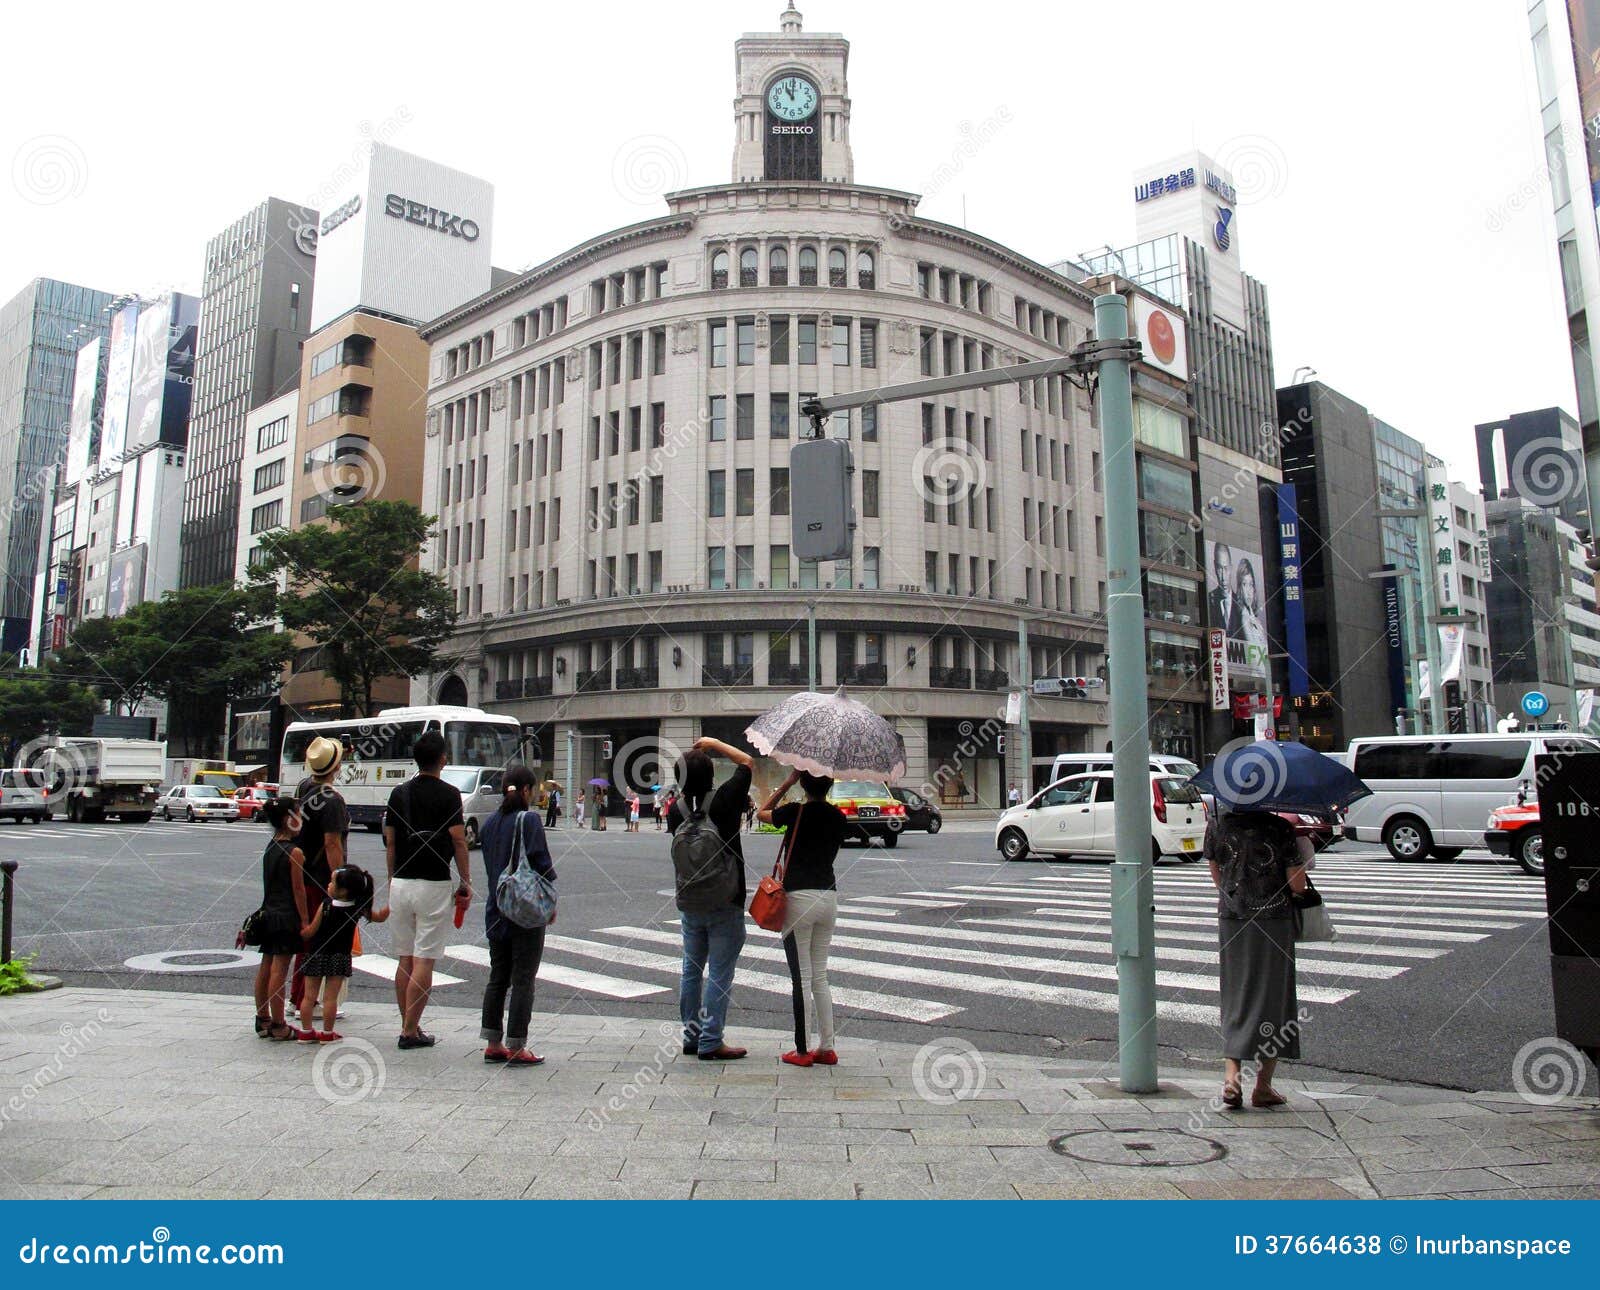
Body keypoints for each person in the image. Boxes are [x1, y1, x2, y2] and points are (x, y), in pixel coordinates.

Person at [1204, 808, 1310, 1109]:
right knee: (1272, 999)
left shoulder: (1217, 824)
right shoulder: (1280, 828)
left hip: (1232, 918)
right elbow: (1297, 885)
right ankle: (1263, 1086)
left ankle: (1232, 1079)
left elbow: (1216, 872)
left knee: (1236, 993)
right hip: (1273, 921)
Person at [384, 730, 472, 1050]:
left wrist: (392, 879)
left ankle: (410, 1023)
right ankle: (409, 1030)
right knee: (424, 960)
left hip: (401, 883)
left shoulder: (398, 793)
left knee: (405, 959)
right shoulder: (450, 795)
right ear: (443, 759)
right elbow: (459, 840)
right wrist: (466, 880)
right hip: (434, 882)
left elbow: (391, 843)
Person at [666, 736, 753, 1060]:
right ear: (711, 774)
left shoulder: (676, 811)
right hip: (725, 899)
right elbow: (747, 762)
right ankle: (711, 1040)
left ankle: (692, 1036)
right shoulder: (725, 800)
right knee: (719, 971)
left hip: (690, 900)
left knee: (691, 969)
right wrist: (715, 743)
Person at [759, 769, 847, 1067]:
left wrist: (786, 782)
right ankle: (828, 1046)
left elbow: (762, 813)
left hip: (799, 898)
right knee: (820, 975)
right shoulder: (838, 817)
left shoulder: (795, 812)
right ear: (830, 784)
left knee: (802, 978)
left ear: (804, 784)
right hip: (829, 896)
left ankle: (801, 1049)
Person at [479, 765, 556, 1066]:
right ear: (525, 790)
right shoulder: (530, 820)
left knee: (497, 976)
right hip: (524, 910)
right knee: (523, 978)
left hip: (496, 909)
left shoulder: (490, 823)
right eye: (533, 789)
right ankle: (516, 1045)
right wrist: (549, 905)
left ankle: (493, 1042)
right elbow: (543, 864)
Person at [288, 736, 350, 1020]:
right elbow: (332, 843)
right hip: (321, 877)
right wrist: (340, 880)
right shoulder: (333, 801)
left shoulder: (304, 788)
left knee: (306, 936)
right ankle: (305, 999)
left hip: (300, 872)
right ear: (336, 767)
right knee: (320, 939)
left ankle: (298, 996)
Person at [297, 865, 387, 1042]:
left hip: (316, 954)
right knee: (330, 999)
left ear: (344, 890)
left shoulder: (325, 905)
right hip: (339, 957)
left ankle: (305, 1032)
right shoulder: (357, 908)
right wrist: (393, 905)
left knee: (308, 997)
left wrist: (300, 931)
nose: (328, 885)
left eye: (332, 882)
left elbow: (311, 931)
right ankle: (327, 1033)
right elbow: (379, 917)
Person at [253, 797, 310, 1041]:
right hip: (286, 916)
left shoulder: (270, 846)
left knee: (266, 965)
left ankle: (262, 1017)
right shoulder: (295, 852)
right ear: (289, 819)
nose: (301, 819)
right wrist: (305, 921)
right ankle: (279, 1024)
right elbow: (299, 891)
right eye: (298, 814)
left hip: (268, 911)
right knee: (280, 969)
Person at [1208, 542, 1235, 630]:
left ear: (1231, 568)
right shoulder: (1207, 601)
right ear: (1215, 567)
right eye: (1220, 568)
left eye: (1226, 568)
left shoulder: (1241, 604)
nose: (1223, 577)